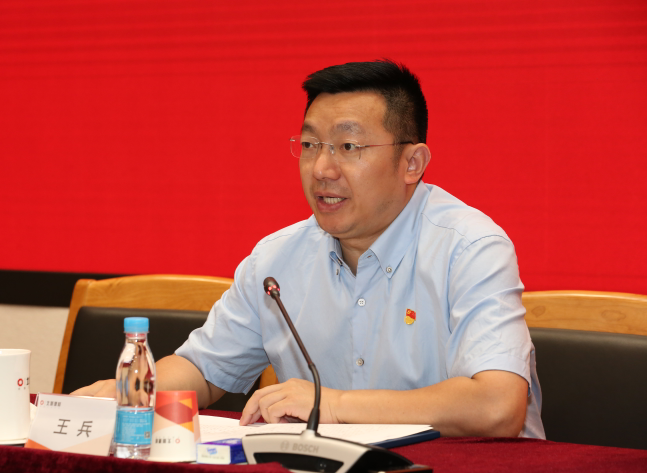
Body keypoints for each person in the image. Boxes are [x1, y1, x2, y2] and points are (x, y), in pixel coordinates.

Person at [74, 59, 545, 438]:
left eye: (348, 146)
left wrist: (333, 405)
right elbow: (203, 368)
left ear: (412, 163)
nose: (321, 168)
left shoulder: (470, 248)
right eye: (310, 144)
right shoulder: (277, 260)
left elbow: (497, 406)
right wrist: (126, 392)